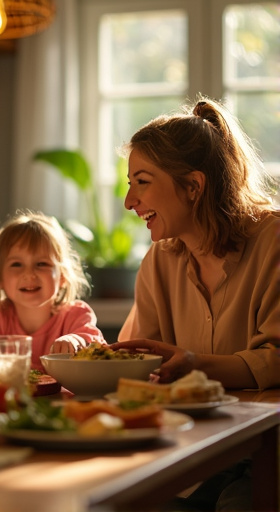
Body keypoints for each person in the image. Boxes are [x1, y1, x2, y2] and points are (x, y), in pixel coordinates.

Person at [110, 96, 280, 511]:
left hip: (269, 448)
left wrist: (192, 362)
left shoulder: (273, 242)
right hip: (196, 447)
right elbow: (140, 362)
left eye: (142, 181)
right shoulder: (159, 261)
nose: (130, 202)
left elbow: (276, 359)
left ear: (193, 186)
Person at [0, 210, 105, 371]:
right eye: (16, 264)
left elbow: (97, 347)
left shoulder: (77, 313)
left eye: (42, 264)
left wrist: (76, 340)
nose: (29, 274)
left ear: (62, 275)